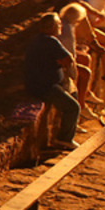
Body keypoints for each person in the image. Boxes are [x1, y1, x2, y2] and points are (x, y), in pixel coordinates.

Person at [24, 13, 79, 151]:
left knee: (74, 93)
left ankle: (71, 127)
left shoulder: (37, 40)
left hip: (41, 82)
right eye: (59, 24)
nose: (60, 27)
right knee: (73, 107)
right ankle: (64, 139)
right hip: (45, 86)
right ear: (53, 26)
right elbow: (68, 59)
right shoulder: (51, 41)